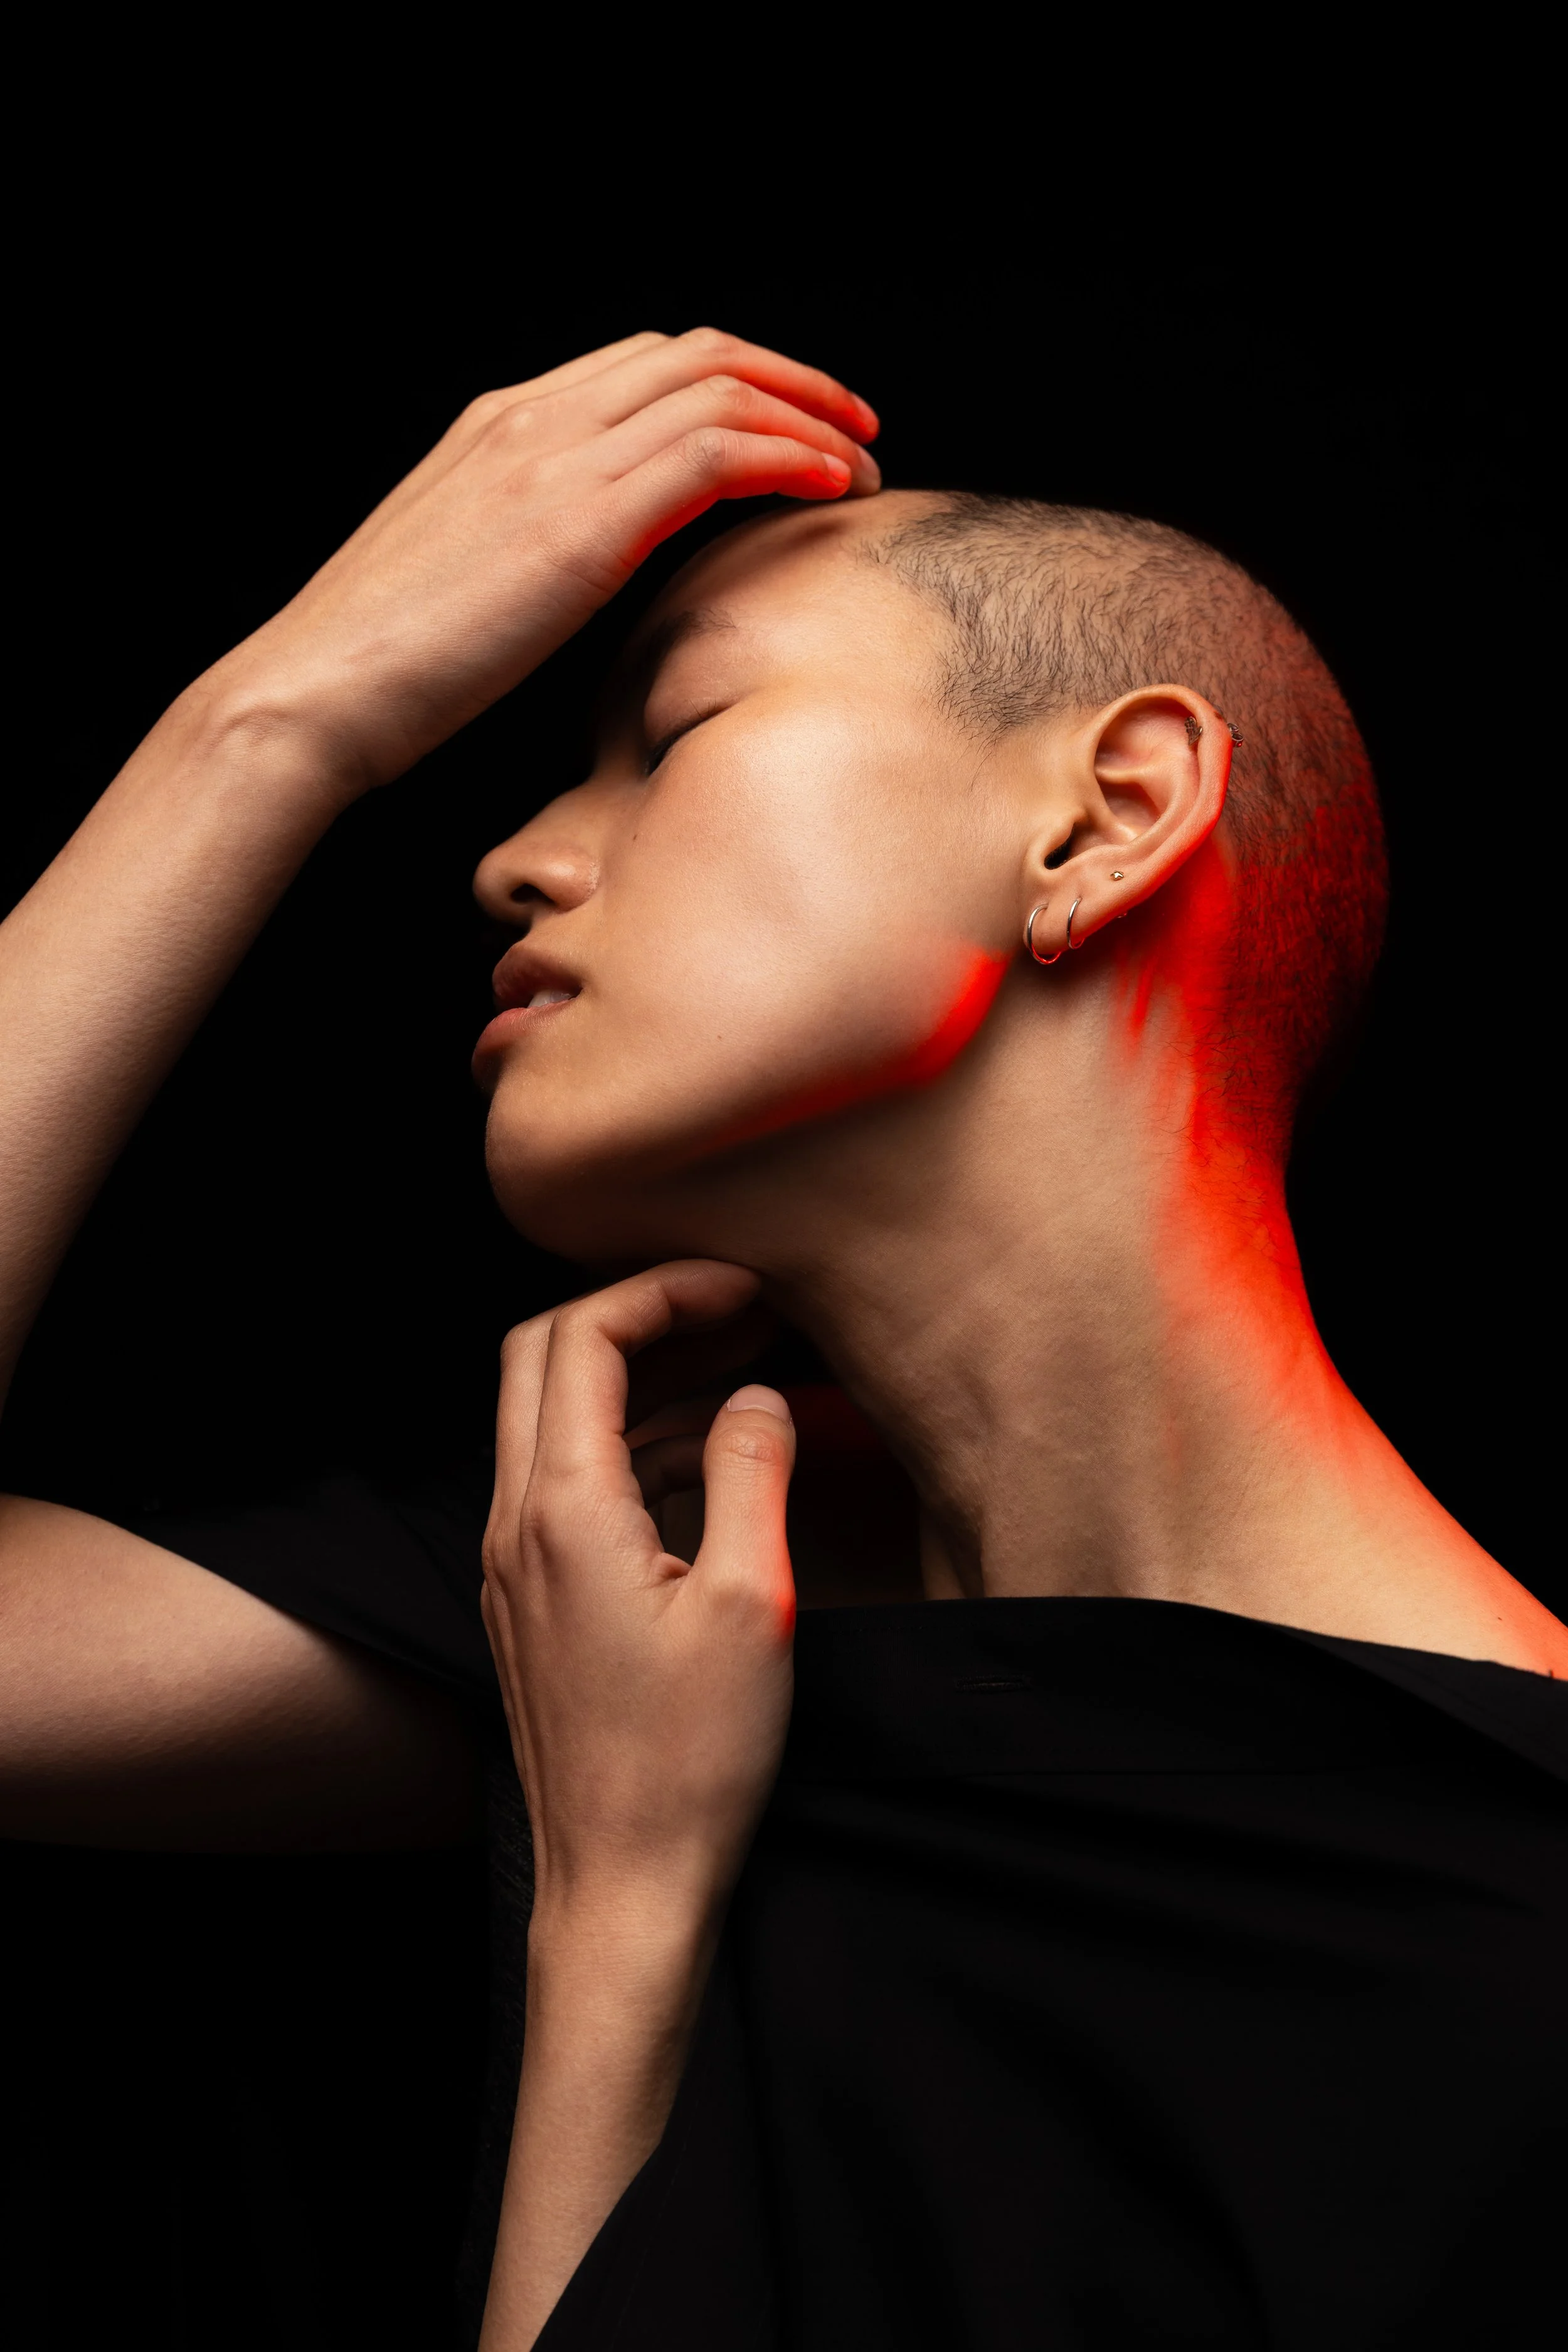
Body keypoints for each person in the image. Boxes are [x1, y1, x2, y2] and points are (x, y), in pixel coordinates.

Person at [2, 330, 1563, 2351]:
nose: (516, 852)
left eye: (674, 733)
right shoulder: (635, 1602)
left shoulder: (1510, 1951)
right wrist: (273, 720)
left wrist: (616, 1914)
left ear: (1107, 814)